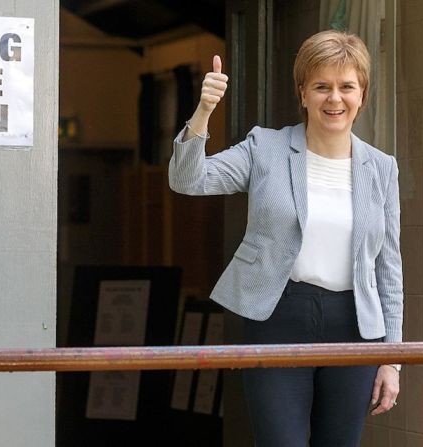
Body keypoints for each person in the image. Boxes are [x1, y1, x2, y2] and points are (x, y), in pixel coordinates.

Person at [168, 29, 403, 447]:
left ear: (362, 94)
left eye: (346, 87)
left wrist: (393, 359)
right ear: (303, 93)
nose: (335, 99)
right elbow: (189, 180)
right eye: (321, 87)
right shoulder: (266, 148)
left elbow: (389, 268)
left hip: (355, 325)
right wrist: (204, 111)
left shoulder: (381, 168)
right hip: (278, 315)